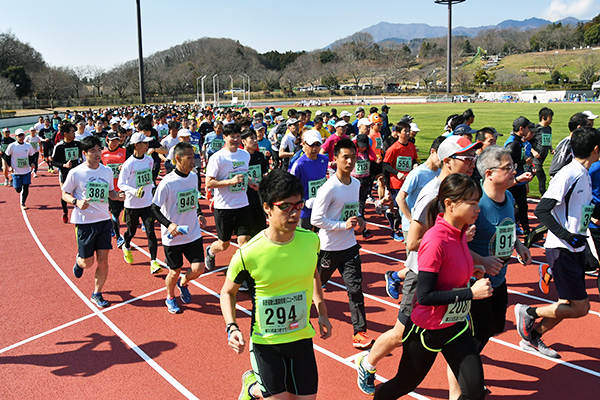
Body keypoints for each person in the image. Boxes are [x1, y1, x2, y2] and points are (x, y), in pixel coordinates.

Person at [357, 135, 482, 397]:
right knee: (404, 372)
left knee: (474, 390)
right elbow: (414, 242)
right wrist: (467, 289)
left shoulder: (459, 229)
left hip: (455, 320)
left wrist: (473, 266)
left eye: (474, 158)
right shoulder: (433, 198)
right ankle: (368, 364)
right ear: (447, 161)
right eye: (467, 158)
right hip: (426, 300)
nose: (473, 163)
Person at [373, 173, 492, 400]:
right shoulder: (435, 240)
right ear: (450, 204)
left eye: (479, 202)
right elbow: (425, 296)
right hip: (427, 329)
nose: (478, 209)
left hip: (455, 324)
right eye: (473, 203)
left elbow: (449, 277)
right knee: (403, 384)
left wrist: (471, 275)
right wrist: (470, 293)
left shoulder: (460, 234)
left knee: (475, 391)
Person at [220, 169, 331, 400]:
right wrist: (231, 327)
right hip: (266, 343)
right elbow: (227, 292)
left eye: (298, 206)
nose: (293, 214)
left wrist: (322, 311)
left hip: (301, 338)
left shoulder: (311, 241)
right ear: (267, 208)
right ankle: (252, 386)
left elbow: (313, 274)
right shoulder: (249, 253)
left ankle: (255, 387)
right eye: (285, 207)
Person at [515, 126, 600, 359]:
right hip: (562, 248)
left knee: (565, 303)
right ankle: (528, 311)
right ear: (595, 150)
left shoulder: (584, 172)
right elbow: (542, 210)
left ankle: (532, 337)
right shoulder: (569, 174)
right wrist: (566, 234)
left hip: (575, 246)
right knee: (581, 308)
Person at [469, 145, 532, 355]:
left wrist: (518, 245)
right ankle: (466, 375)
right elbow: (453, 244)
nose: (514, 171)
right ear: (489, 174)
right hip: (475, 280)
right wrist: (482, 261)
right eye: (508, 167)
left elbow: (508, 226)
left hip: (499, 277)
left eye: (513, 165)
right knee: (480, 332)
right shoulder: (474, 203)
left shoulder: (509, 197)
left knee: (496, 326)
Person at [311, 138, 374, 349]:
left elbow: (351, 210)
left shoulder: (355, 184)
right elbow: (316, 220)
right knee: (314, 286)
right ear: (335, 159)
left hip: (349, 247)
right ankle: (300, 314)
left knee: (355, 289)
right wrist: (342, 225)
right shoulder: (329, 188)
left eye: (353, 157)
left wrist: (359, 220)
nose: (350, 161)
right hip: (328, 248)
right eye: (345, 157)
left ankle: (360, 332)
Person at [61, 136, 126, 308]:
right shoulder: (76, 172)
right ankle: (79, 261)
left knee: (103, 261)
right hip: (85, 223)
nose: (98, 153)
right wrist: (76, 202)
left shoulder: (106, 171)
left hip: (104, 221)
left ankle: (97, 293)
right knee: (87, 263)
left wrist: (117, 196)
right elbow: (64, 193)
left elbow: (111, 192)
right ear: (84, 153)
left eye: (99, 149)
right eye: (93, 151)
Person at [386, 136, 446, 300]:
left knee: (425, 264)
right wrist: (412, 220)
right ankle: (408, 298)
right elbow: (400, 198)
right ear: (432, 152)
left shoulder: (441, 173)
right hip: (412, 226)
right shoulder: (417, 173)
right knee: (418, 265)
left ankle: (398, 279)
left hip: (431, 226)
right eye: (442, 155)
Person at [152, 142, 207, 314]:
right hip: (173, 236)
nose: (193, 161)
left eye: (194, 157)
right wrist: (169, 225)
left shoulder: (193, 176)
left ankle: (183, 282)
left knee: (198, 269)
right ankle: (170, 296)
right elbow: (153, 208)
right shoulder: (167, 182)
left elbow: (194, 197)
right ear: (177, 158)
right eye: (189, 158)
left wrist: (199, 213)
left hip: (192, 233)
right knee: (174, 271)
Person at [204, 123, 255, 270]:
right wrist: (230, 182)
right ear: (225, 137)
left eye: (238, 136)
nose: (236, 139)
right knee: (223, 244)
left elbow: (244, 174)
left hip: (243, 205)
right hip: (224, 207)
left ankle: (242, 272)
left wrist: (251, 183)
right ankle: (210, 251)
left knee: (244, 242)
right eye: (232, 137)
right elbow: (209, 182)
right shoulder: (217, 158)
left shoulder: (245, 155)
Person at [117, 132, 162, 274]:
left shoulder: (149, 160)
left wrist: (153, 192)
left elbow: (149, 180)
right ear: (137, 145)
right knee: (131, 231)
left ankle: (154, 261)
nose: (148, 145)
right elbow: (121, 184)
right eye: (145, 143)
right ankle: (127, 245)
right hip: (132, 205)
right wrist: (134, 191)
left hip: (147, 204)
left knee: (151, 232)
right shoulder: (128, 164)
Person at [382, 121, 418, 241]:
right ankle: (395, 230)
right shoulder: (393, 149)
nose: (408, 133)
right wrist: (397, 173)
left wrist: (415, 165)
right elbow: (386, 164)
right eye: (405, 131)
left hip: (408, 182)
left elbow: (414, 160)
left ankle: (394, 221)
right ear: (398, 133)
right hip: (396, 182)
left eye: (409, 131)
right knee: (400, 207)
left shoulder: (412, 147)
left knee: (406, 206)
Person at [504, 117, 534, 236]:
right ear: (521, 129)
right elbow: (508, 162)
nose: (529, 130)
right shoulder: (512, 144)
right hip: (513, 182)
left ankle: (527, 233)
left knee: (523, 208)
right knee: (511, 209)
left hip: (520, 181)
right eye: (527, 127)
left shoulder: (520, 142)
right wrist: (523, 162)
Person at [52, 122, 83, 223]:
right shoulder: (59, 147)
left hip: (78, 174)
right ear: (65, 133)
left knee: (79, 193)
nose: (74, 134)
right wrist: (64, 165)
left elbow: (83, 156)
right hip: (65, 174)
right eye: (72, 132)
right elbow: (53, 162)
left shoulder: (78, 144)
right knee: (65, 194)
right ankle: (65, 211)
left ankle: (80, 212)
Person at [101, 131, 127, 244]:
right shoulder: (102, 153)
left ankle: (113, 227)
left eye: (117, 140)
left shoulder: (124, 152)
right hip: (110, 188)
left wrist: (125, 166)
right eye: (112, 141)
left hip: (123, 187)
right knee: (115, 212)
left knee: (123, 211)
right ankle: (118, 237)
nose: (115, 143)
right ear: (107, 141)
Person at [5, 128, 36, 210]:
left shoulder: (28, 146)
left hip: (26, 171)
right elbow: (6, 156)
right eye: (19, 136)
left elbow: (32, 155)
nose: (21, 137)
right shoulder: (12, 146)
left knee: (26, 188)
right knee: (18, 189)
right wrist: (10, 166)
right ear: (15, 136)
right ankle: (15, 183)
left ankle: (22, 203)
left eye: (22, 135)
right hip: (16, 172)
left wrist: (32, 163)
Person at [530, 107, 554, 196]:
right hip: (534, 159)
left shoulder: (549, 129)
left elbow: (547, 140)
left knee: (528, 176)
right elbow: (528, 142)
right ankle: (545, 197)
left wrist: (551, 148)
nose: (551, 120)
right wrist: (533, 152)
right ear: (544, 117)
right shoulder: (536, 128)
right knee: (542, 178)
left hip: (542, 158)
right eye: (550, 117)